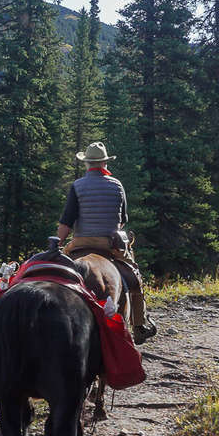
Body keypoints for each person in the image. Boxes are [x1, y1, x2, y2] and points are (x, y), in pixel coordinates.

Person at [55, 142, 155, 342]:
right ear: (104, 163)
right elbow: (122, 221)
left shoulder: (77, 186)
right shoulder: (116, 185)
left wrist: (56, 244)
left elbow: (66, 222)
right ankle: (139, 325)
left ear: (87, 164)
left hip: (79, 243)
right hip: (109, 244)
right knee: (134, 276)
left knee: (58, 270)